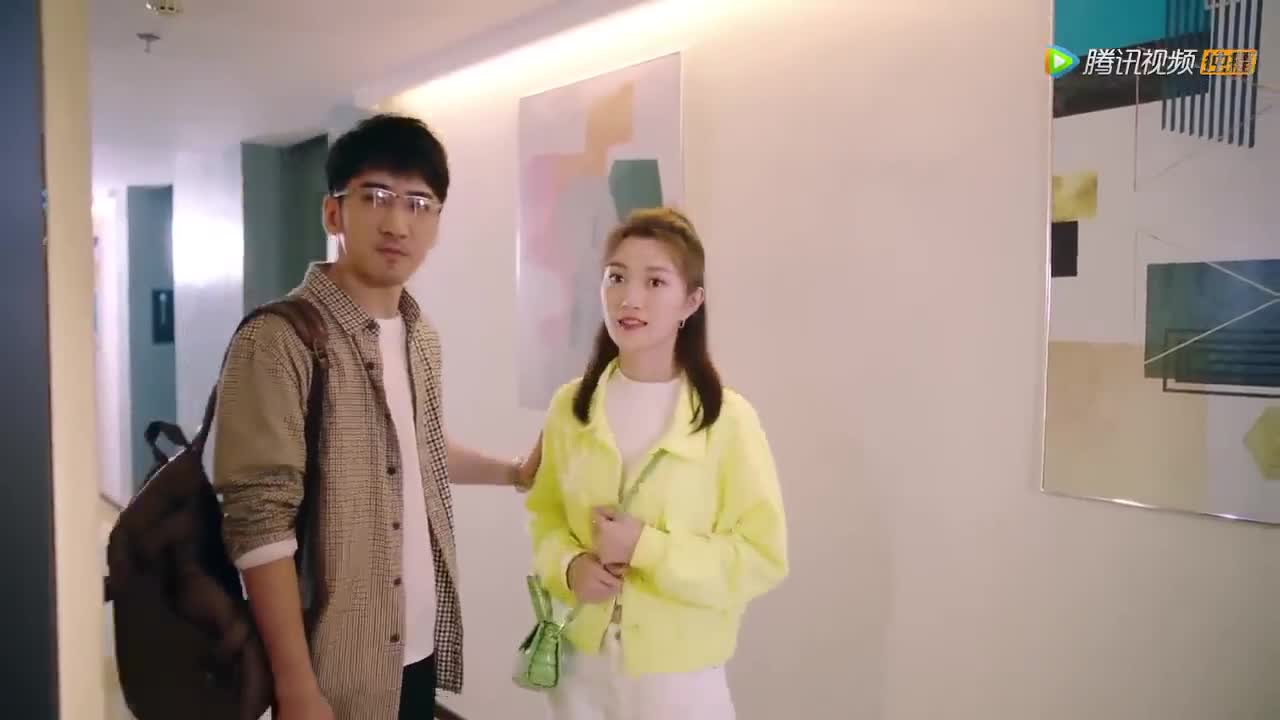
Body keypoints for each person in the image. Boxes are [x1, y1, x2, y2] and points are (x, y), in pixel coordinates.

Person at [212, 113, 540, 720]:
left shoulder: (420, 336)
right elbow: (259, 522)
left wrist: (515, 472)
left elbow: (418, 449)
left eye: (419, 203)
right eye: (376, 196)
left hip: (413, 649)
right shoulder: (277, 340)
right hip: (332, 667)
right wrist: (296, 686)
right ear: (333, 213)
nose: (397, 222)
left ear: (436, 224)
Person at [524, 207, 789, 719]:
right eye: (617, 277)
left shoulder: (728, 420)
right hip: (580, 670)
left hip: (679, 681)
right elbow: (544, 517)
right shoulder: (571, 407)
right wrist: (569, 566)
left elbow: (762, 556)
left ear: (691, 302)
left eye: (655, 281)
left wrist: (646, 548)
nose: (630, 298)